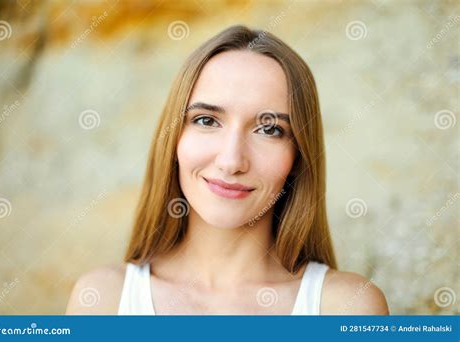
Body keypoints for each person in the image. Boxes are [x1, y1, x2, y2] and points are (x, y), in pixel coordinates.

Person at [66, 25, 389, 315]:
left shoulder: (347, 307)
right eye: (206, 121)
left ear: (298, 157)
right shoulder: (103, 299)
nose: (231, 161)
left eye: (269, 129)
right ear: (174, 140)